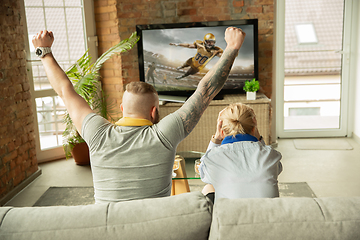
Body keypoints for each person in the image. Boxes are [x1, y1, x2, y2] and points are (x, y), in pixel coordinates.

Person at [32, 27, 246, 203]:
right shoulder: (164, 134)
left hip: (104, 227)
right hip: (152, 226)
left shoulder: (97, 133)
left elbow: (65, 90)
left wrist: (44, 52)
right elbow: (206, 89)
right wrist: (233, 47)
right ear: (155, 111)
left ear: (122, 109)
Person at [198, 103, 283, 203]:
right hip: (267, 217)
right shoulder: (271, 155)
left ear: (221, 132)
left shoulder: (212, 158)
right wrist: (259, 137)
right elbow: (277, 169)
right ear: (254, 129)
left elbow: (203, 174)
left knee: (209, 187)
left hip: (232, 217)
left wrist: (216, 139)